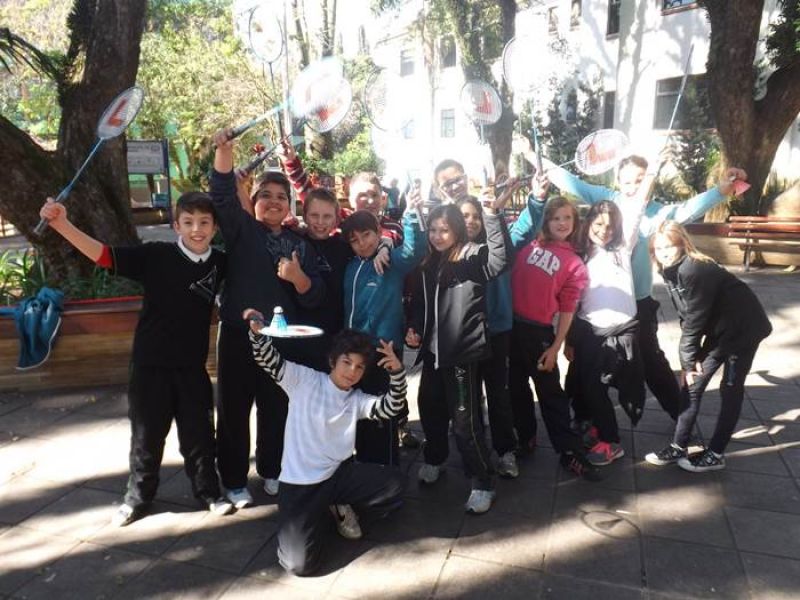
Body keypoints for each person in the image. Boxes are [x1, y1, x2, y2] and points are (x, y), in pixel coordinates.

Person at [38, 193, 233, 526]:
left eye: (204, 223)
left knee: (200, 435)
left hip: (192, 368)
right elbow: (103, 255)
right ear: (176, 226)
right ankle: (138, 498)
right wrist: (61, 224)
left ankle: (209, 493)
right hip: (150, 366)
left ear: (215, 228)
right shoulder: (155, 255)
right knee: (146, 437)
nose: (196, 230)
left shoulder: (220, 262)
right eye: (188, 222)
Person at [539, 152, 748, 421]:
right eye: (627, 181)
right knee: (582, 363)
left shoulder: (657, 212)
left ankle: (680, 416)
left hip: (638, 305)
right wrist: (534, 156)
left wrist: (722, 189)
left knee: (651, 362)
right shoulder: (607, 201)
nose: (633, 187)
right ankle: (583, 418)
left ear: (649, 179)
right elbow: (572, 182)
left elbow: (689, 208)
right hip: (595, 306)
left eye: (640, 180)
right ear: (617, 180)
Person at [210, 128, 326, 506]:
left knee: (276, 408)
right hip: (238, 335)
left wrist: (298, 278)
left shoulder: (300, 245)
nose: (274, 201)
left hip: (281, 339)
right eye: (266, 195)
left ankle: (273, 468)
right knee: (233, 409)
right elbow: (222, 193)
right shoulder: (242, 230)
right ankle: (233, 479)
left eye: (281, 196)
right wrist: (224, 152)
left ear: (289, 205)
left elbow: (315, 296)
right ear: (254, 201)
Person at [244, 317, 407, 576]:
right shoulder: (303, 380)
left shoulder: (356, 399)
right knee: (299, 565)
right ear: (333, 361)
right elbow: (269, 360)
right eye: (346, 362)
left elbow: (391, 408)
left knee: (396, 485)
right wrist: (257, 334)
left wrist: (397, 373)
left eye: (359, 367)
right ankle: (318, 513)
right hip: (299, 484)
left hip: (337, 477)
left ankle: (336, 503)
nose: (352, 371)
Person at [405, 193, 509, 514]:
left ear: (457, 231)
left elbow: (499, 261)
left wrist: (492, 215)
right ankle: (435, 458)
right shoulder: (429, 262)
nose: (438, 236)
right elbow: (420, 304)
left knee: (465, 422)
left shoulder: (470, 255)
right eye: (433, 230)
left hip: (461, 355)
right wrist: (415, 327)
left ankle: (482, 481)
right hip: (433, 353)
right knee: (429, 407)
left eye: (444, 230)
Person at [645, 221, 771, 472]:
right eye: (659, 248)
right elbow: (686, 314)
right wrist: (691, 361)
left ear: (683, 244)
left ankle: (716, 453)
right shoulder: (669, 270)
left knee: (730, 388)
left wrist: (687, 362)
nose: (664, 253)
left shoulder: (694, 269)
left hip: (743, 331)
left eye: (669, 246)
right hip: (719, 329)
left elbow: (695, 319)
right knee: (692, 385)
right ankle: (679, 446)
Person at [509, 193, 600, 481]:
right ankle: (526, 437)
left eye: (567, 217)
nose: (561, 223)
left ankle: (569, 452)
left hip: (539, 333)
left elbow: (568, 309)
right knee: (515, 389)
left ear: (575, 221)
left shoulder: (574, 263)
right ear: (546, 221)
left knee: (550, 394)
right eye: (555, 218)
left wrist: (557, 346)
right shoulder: (529, 245)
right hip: (511, 328)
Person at [342, 200, 427, 467]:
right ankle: (364, 465)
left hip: (383, 351)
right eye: (354, 240)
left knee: (383, 413)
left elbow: (415, 250)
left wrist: (411, 214)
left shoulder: (390, 262)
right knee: (359, 411)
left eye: (367, 235)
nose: (362, 243)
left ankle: (386, 473)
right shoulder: (351, 265)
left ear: (379, 232)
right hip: (354, 351)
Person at [569, 195, 648, 466]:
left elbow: (637, 209)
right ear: (588, 222)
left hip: (622, 331)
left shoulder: (622, 249)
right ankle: (603, 433)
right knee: (590, 386)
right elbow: (574, 301)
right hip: (590, 331)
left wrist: (652, 172)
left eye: (610, 226)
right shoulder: (580, 254)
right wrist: (568, 340)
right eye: (599, 224)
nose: (604, 230)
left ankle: (610, 441)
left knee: (621, 387)